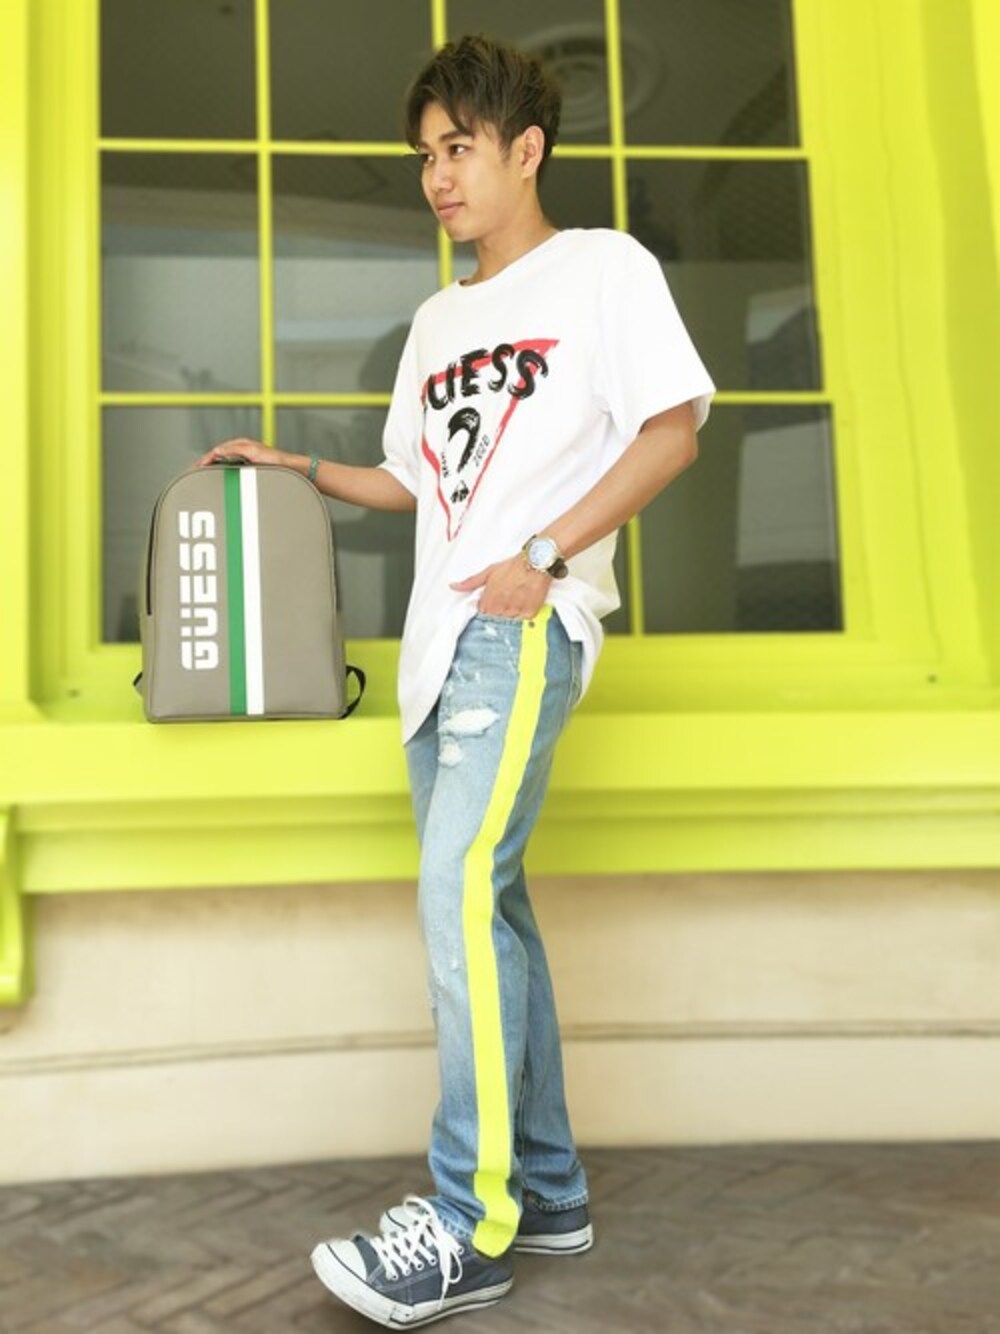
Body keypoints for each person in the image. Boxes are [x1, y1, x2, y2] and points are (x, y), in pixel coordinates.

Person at [197, 32, 715, 1329]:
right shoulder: (438, 321)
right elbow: (414, 482)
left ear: (526, 149)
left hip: (516, 630)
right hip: (437, 650)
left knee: (455, 901)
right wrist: (297, 469)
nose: (436, 176)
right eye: (425, 154)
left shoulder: (602, 270)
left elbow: (673, 431)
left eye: (459, 149)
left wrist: (545, 557)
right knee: (496, 911)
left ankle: (467, 1224)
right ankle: (546, 1187)